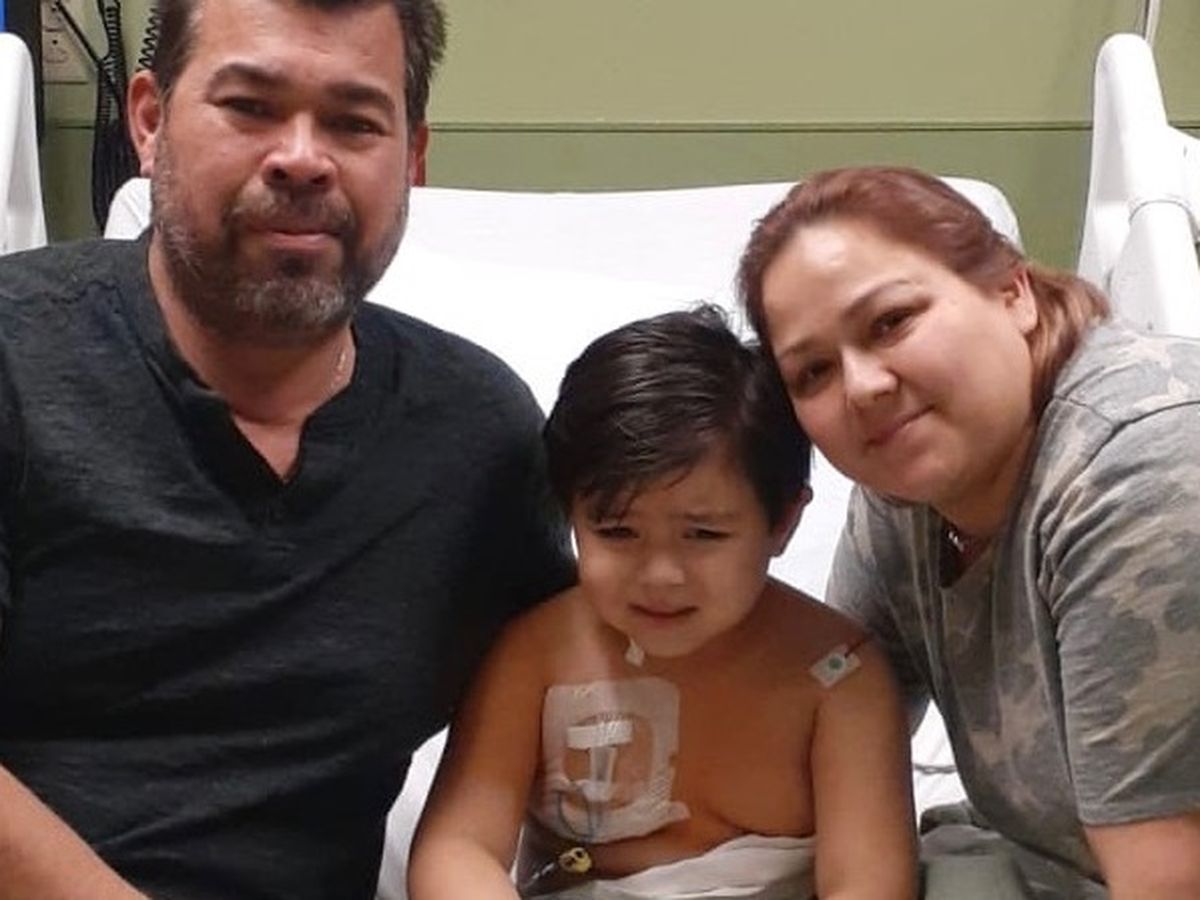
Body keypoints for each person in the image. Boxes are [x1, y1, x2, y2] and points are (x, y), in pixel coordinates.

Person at [0, 0, 574, 897]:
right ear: (149, 123)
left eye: (354, 122)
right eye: (250, 106)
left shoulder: (477, 436)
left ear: (413, 162)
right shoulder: (18, 358)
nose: (303, 158)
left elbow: (595, 687)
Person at [736, 165, 1200, 899]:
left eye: (891, 322)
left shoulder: (1143, 471)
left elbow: (1168, 880)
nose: (863, 387)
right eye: (814, 372)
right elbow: (823, 744)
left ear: (1013, 292)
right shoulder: (903, 498)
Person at [407, 306, 917, 900]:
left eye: (703, 535)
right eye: (617, 532)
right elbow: (456, 848)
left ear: (782, 522)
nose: (660, 575)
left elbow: (869, 885)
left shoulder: (838, 677)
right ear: (570, 514)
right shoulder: (537, 656)